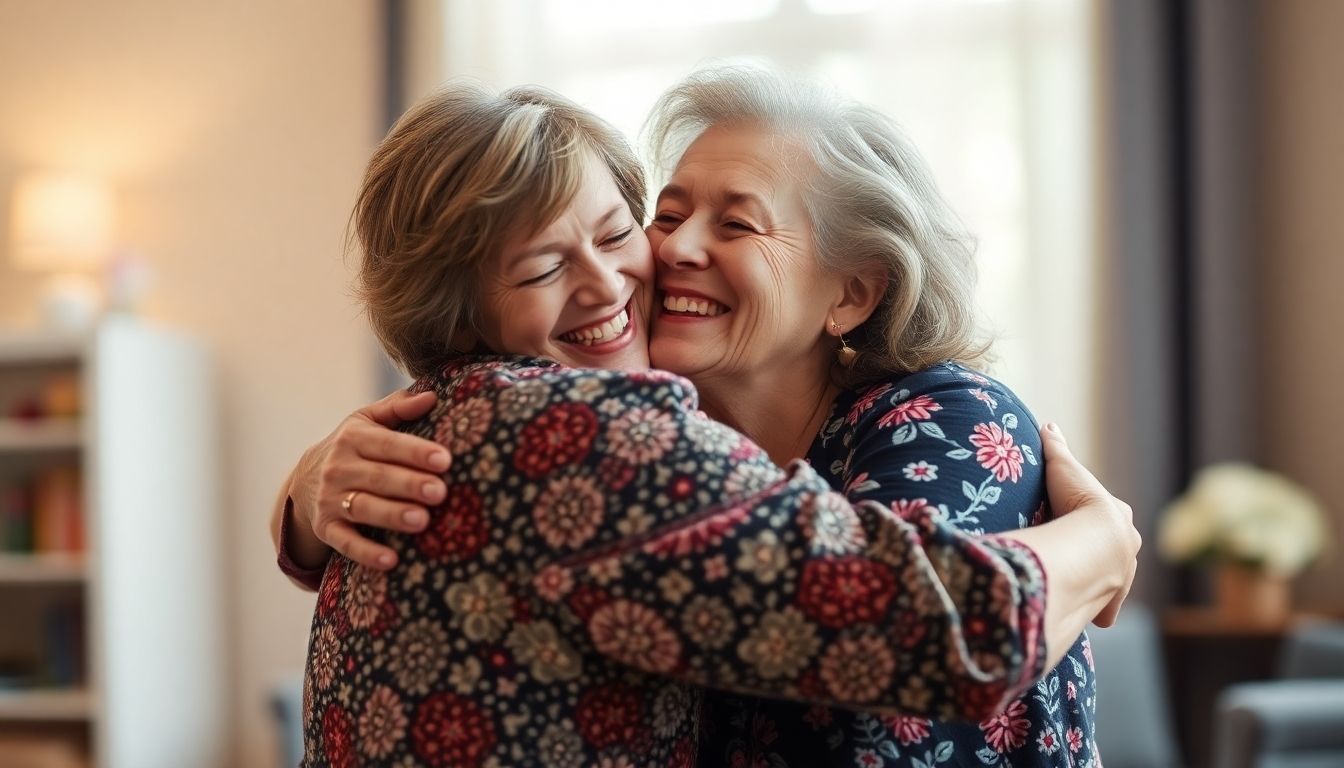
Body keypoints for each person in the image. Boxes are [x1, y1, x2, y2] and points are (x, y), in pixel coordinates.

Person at [280, 73, 1138, 768]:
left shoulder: (942, 415)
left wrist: (301, 504)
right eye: (544, 267)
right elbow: (942, 632)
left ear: (853, 293)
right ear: (459, 313)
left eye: (621, 230)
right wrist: (1104, 541)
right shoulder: (578, 432)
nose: (620, 277)